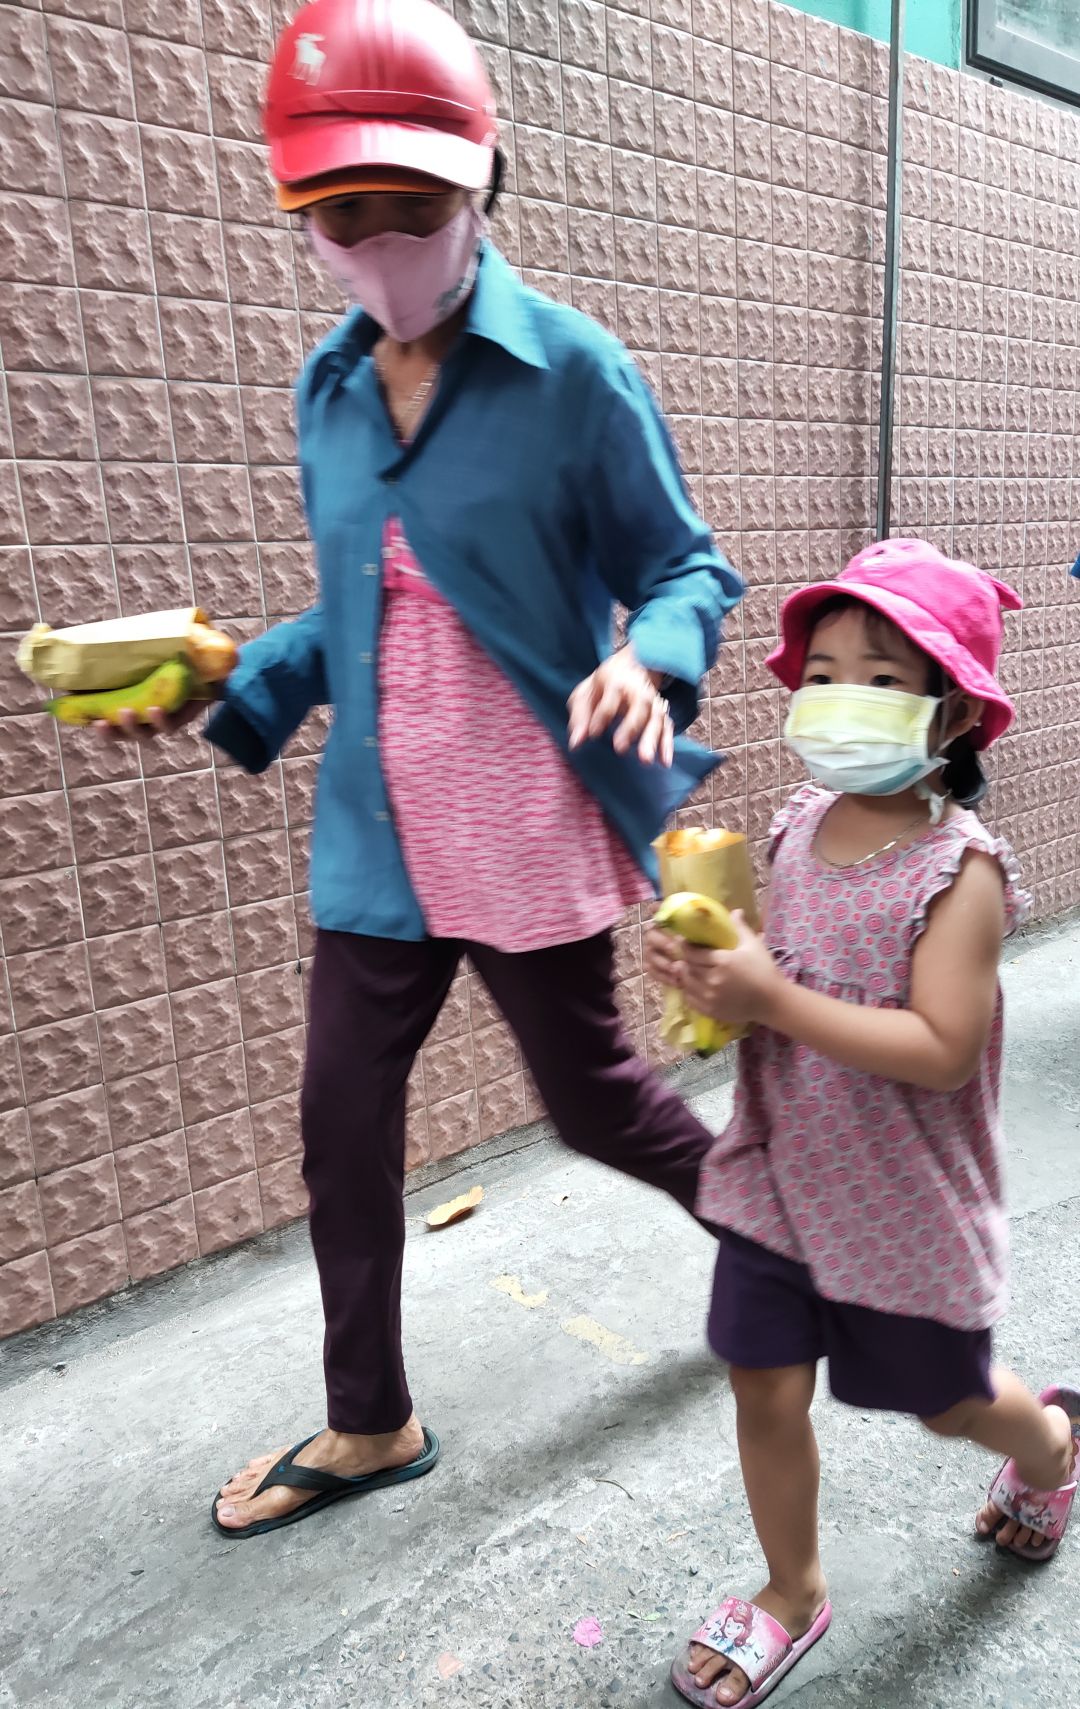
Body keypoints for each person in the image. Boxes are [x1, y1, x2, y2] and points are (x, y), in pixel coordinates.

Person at [96, 0, 742, 1537]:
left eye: (413, 204)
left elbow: (686, 567)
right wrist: (219, 680)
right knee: (341, 1127)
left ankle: (782, 1243)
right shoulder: (327, 390)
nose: (379, 240)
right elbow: (366, 603)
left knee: (600, 1106)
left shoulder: (573, 372)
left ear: (481, 186)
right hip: (379, 833)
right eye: (342, 214)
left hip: (523, 818)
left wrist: (648, 658)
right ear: (302, 218)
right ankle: (369, 1416)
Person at [646, 539, 1080, 1708]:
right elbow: (772, 970)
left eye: (882, 679)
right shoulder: (795, 823)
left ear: (954, 714)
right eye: (825, 672)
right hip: (778, 1173)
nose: (841, 698)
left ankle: (1051, 1446)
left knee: (949, 1402)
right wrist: (710, 972)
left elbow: (941, 1048)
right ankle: (792, 1589)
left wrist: (772, 996)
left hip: (902, 1200)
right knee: (761, 1380)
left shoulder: (959, 874)